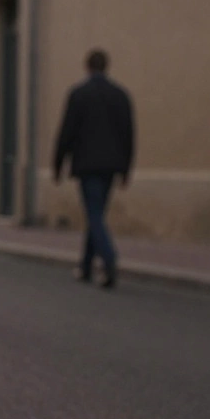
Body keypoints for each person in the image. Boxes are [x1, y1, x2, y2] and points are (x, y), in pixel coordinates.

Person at [54, 49, 134, 289]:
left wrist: (58, 164)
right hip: (111, 166)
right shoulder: (120, 95)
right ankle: (86, 266)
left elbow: (66, 132)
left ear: (87, 67)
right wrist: (126, 168)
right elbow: (129, 134)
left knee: (94, 213)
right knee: (96, 213)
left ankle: (108, 258)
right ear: (106, 66)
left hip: (87, 164)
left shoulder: (79, 94)